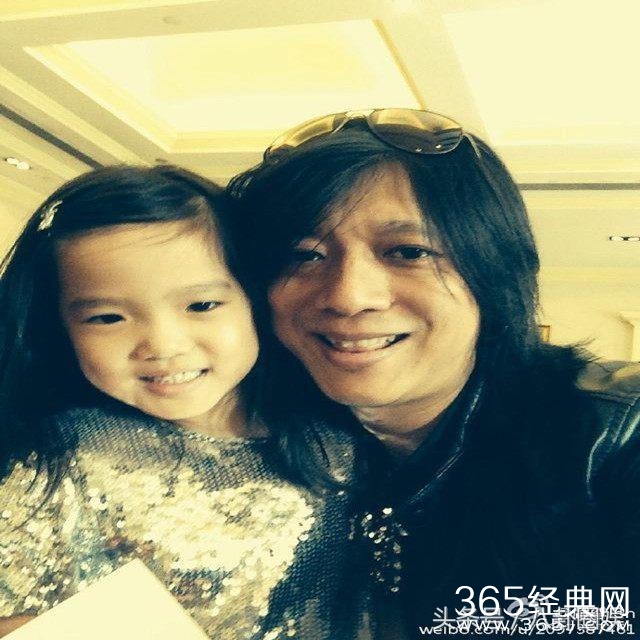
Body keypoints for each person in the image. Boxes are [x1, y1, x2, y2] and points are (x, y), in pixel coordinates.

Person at [228, 109, 640, 637]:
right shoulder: (249, 437)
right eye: (304, 255)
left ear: (492, 272)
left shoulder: (615, 436)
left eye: (408, 252)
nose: (349, 297)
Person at [0, 165, 367, 639]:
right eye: (108, 318)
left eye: (201, 306)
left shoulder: (343, 435)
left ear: (255, 299)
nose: (163, 345)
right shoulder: (52, 454)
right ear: (61, 328)